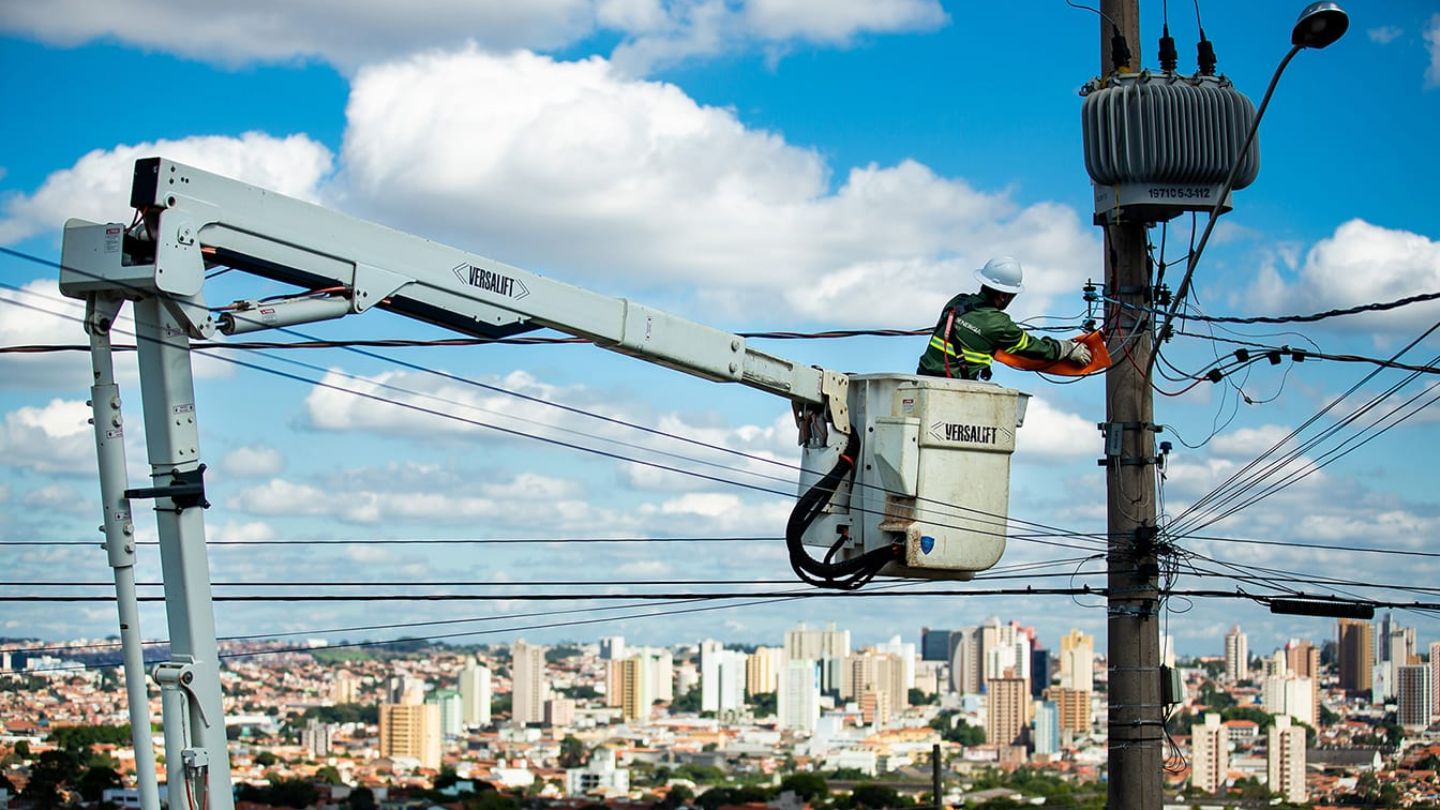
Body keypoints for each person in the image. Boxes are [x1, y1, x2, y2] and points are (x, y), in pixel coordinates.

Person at [916, 256, 1091, 380]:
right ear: (1003, 296)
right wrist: (1068, 348)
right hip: (953, 388)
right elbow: (1036, 348)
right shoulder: (1000, 325)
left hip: (922, 378)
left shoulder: (956, 302)